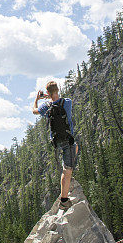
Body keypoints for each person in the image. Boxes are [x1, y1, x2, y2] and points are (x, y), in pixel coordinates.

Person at [32, 80, 78, 210]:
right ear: (58, 90)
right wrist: (52, 96)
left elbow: (34, 111)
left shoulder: (46, 106)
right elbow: (60, 100)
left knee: (75, 147)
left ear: (47, 92)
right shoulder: (67, 102)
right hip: (68, 139)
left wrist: (37, 99)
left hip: (57, 141)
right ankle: (64, 201)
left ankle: (68, 177)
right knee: (67, 169)